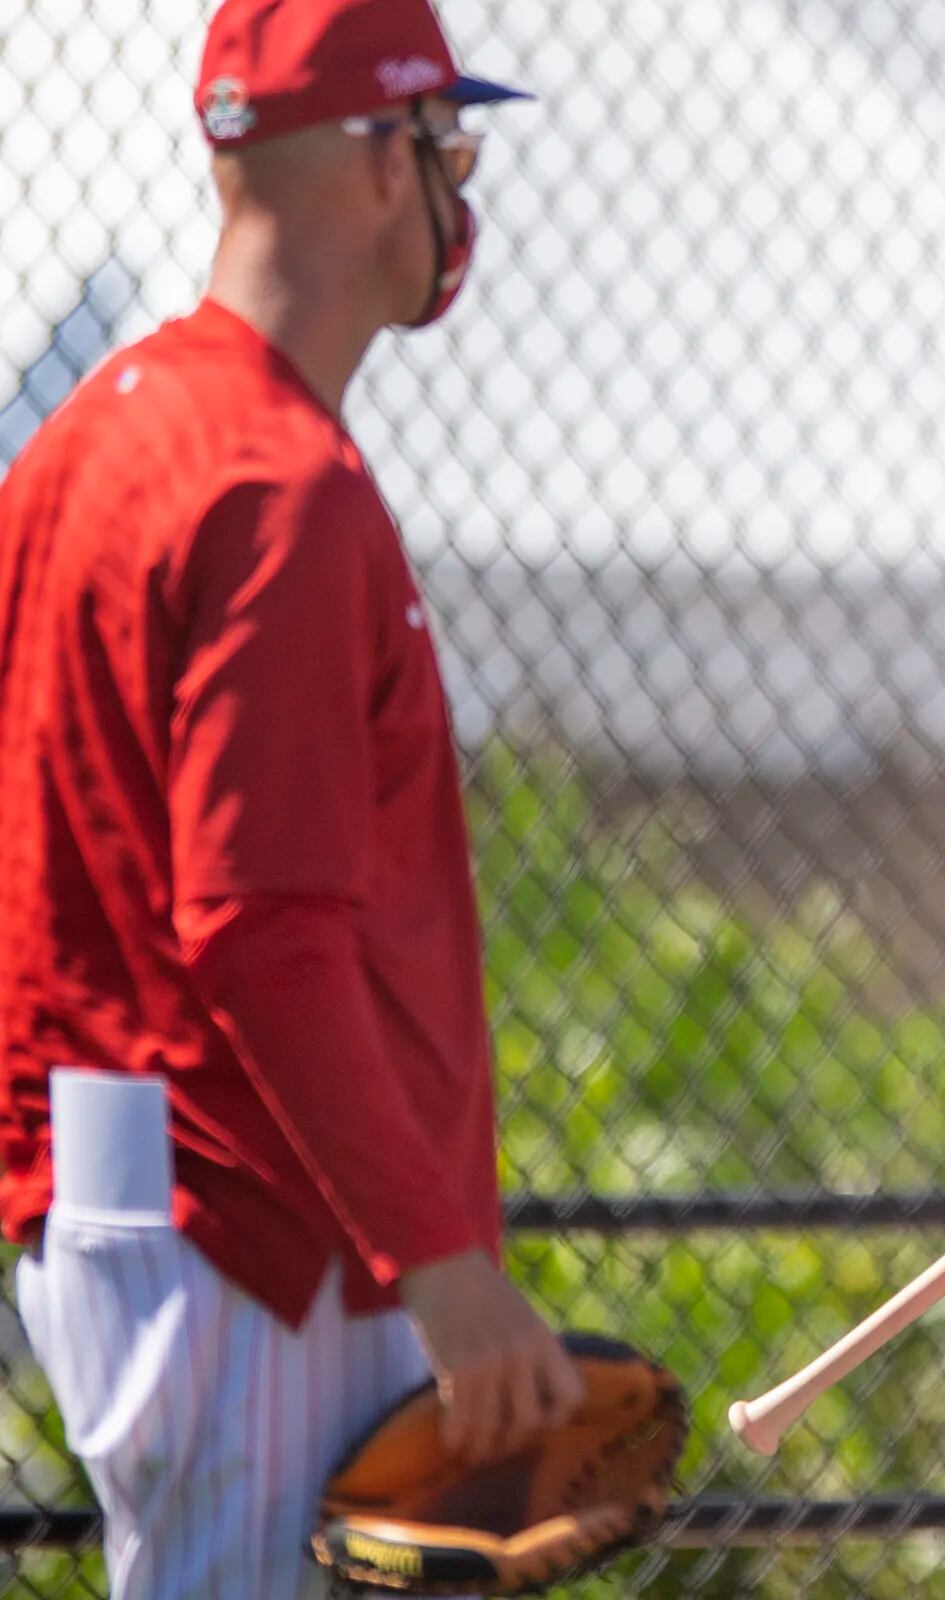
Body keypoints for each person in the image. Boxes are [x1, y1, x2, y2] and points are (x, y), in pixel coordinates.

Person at [0, 1, 584, 1592]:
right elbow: (259, 927)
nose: (462, 188)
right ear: (384, 163)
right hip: (262, 1224)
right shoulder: (280, 480)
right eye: (448, 144)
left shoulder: (87, 434)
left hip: (119, 1184)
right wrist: (443, 1268)